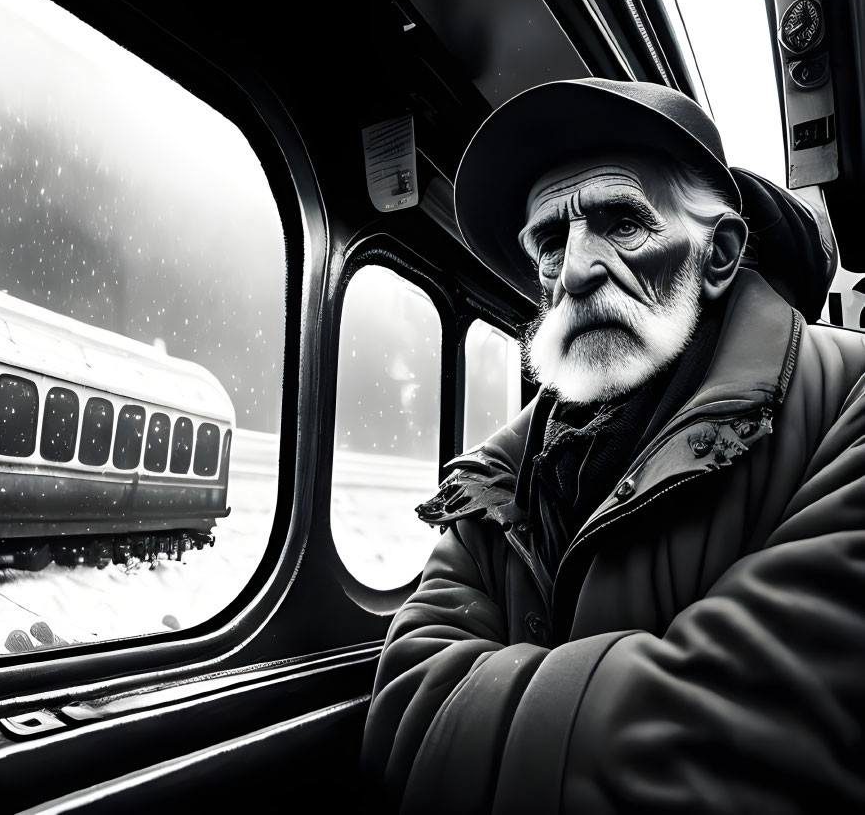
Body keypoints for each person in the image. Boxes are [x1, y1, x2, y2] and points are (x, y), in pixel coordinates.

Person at [360, 77, 865, 813]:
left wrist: (481, 701)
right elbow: (403, 705)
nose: (574, 270)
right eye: (547, 243)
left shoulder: (845, 402)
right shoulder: (491, 481)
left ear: (716, 256)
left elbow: (771, 741)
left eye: (620, 223)